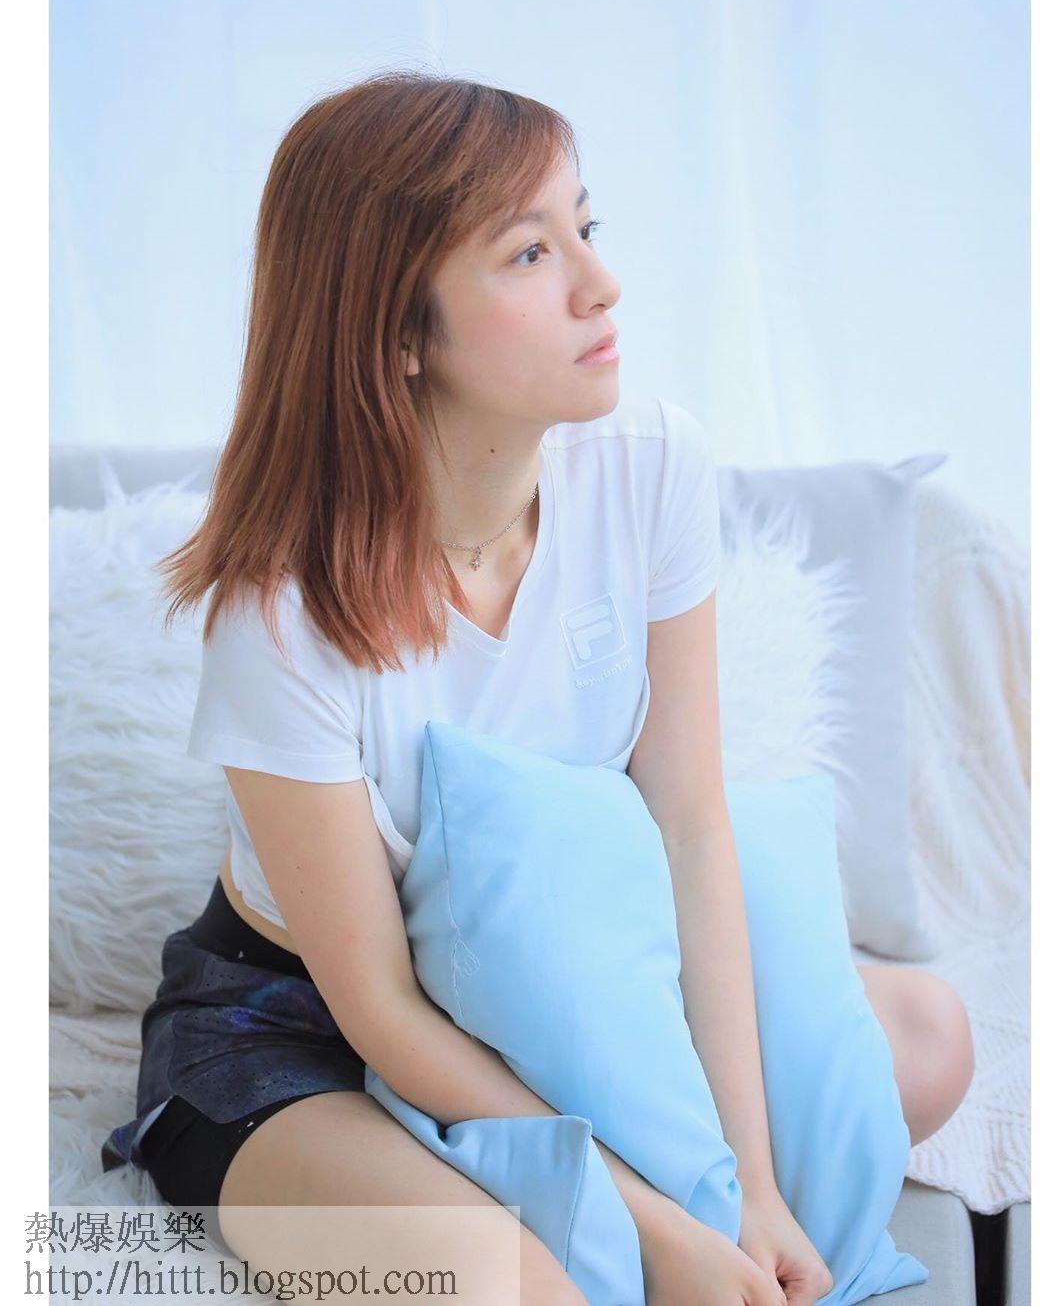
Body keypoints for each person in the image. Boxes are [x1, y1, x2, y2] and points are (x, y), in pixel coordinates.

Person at [100, 69, 967, 1306]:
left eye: (585, 226)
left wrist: (748, 1191)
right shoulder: (278, 612)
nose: (600, 283)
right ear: (398, 334)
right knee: (519, 1285)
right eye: (527, 252)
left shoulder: (649, 464)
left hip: (568, 988)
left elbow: (689, 829)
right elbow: (381, 1006)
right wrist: (662, 1226)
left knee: (928, 1042)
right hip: (313, 1031)